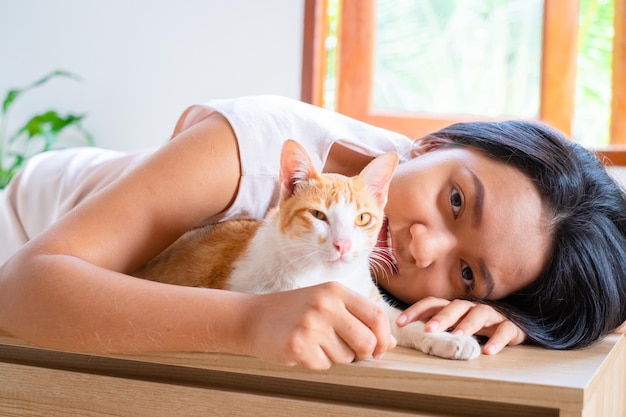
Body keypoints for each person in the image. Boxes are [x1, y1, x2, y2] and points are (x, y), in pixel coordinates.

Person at [0, 95, 624, 370]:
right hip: (23, 231)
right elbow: (22, 287)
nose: (421, 244)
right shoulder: (254, 149)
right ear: (435, 142)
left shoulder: (432, 262)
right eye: (456, 199)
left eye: (467, 273)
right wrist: (247, 322)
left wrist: (525, 323)